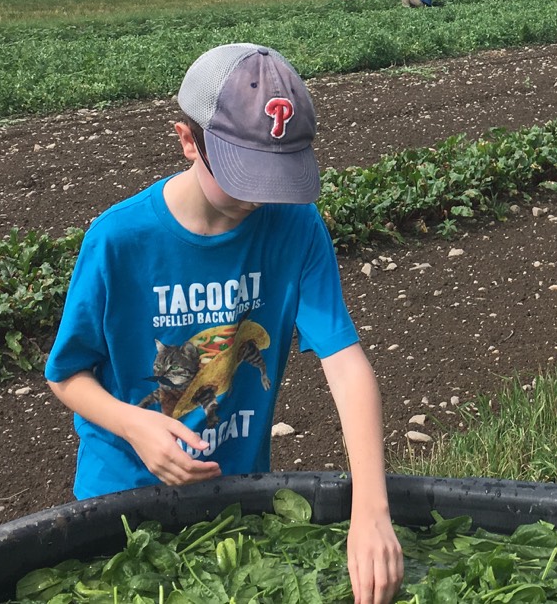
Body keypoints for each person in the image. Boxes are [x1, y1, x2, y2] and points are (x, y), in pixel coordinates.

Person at [45, 43, 404, 603]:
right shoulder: (119, 241)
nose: (262, 197)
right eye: (246, 176)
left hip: (235, 496)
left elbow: (344, 360)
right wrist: (135, 426)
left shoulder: (296, 227)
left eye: (277, 176)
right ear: (188, 140)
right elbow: (66, 376)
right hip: (121, 508)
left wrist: (372, 511)